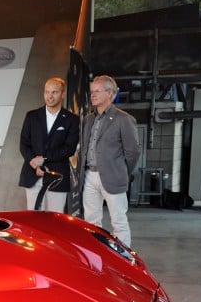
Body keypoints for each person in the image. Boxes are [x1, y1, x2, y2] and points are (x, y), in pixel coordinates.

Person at [80, 75, 140, 247]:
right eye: (91, 92)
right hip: (89, 176)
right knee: (91, 222)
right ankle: (96, 256)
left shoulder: (124, 119)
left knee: (119, 222)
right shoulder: (88, 120)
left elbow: (133, 152)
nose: (92, 95)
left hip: (113, 176)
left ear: (110, 93)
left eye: (97, 91)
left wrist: (120, 170)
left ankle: (123, 262)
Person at [18, 77, 80, 212]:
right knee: (33, 219)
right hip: (32, 175)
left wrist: (44, 159)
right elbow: (24, 144)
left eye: (54, 92)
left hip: (58, 177)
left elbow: (69, 148)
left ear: (63, 94)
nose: (50, 96)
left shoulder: (72, 119)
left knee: (55, 220)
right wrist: (34, 163)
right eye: (47, 92)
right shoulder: (32, 116)